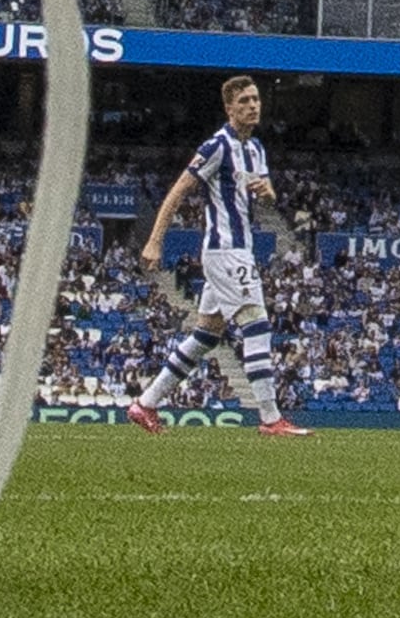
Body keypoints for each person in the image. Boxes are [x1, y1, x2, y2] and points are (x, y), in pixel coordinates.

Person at [128, 76, 307, 436]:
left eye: (255, 99)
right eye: (244, 101)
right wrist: (155, 241)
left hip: (239, 250)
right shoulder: (217, 146)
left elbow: (267, 196)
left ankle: (145, 404)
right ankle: (271, 418)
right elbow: (178, 190)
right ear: (229, 109)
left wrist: (268, 191)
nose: (253, 106)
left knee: (206, 336)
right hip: (226, 251)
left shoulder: (255, 148)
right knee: (256, 325)